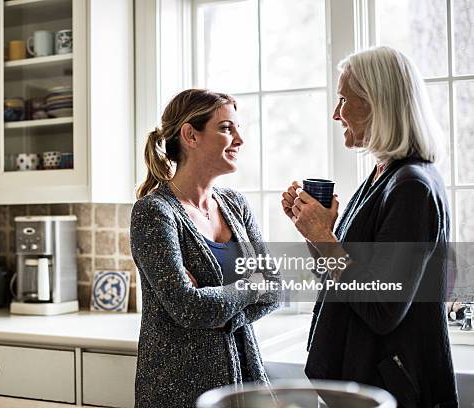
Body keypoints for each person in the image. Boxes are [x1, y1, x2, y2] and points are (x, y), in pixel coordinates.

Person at [281, 46, 458, 407]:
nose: (335, 113)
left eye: (343, 99)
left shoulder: (411, 186)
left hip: (393, 391)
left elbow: (380, 307)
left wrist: (323, 235)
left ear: (378, 103)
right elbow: (343, 280)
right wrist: (314, 233)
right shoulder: (384, 174)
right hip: (371, 384)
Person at [130, 89, 280, 407]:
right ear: (191, 135)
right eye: (226, 128)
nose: (239, 139)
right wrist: (251, 287)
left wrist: (218, 308)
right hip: (178, 390)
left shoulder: (235, 205)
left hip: (243, 380)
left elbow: (276, 290)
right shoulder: (156, 212)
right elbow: (187, 307)